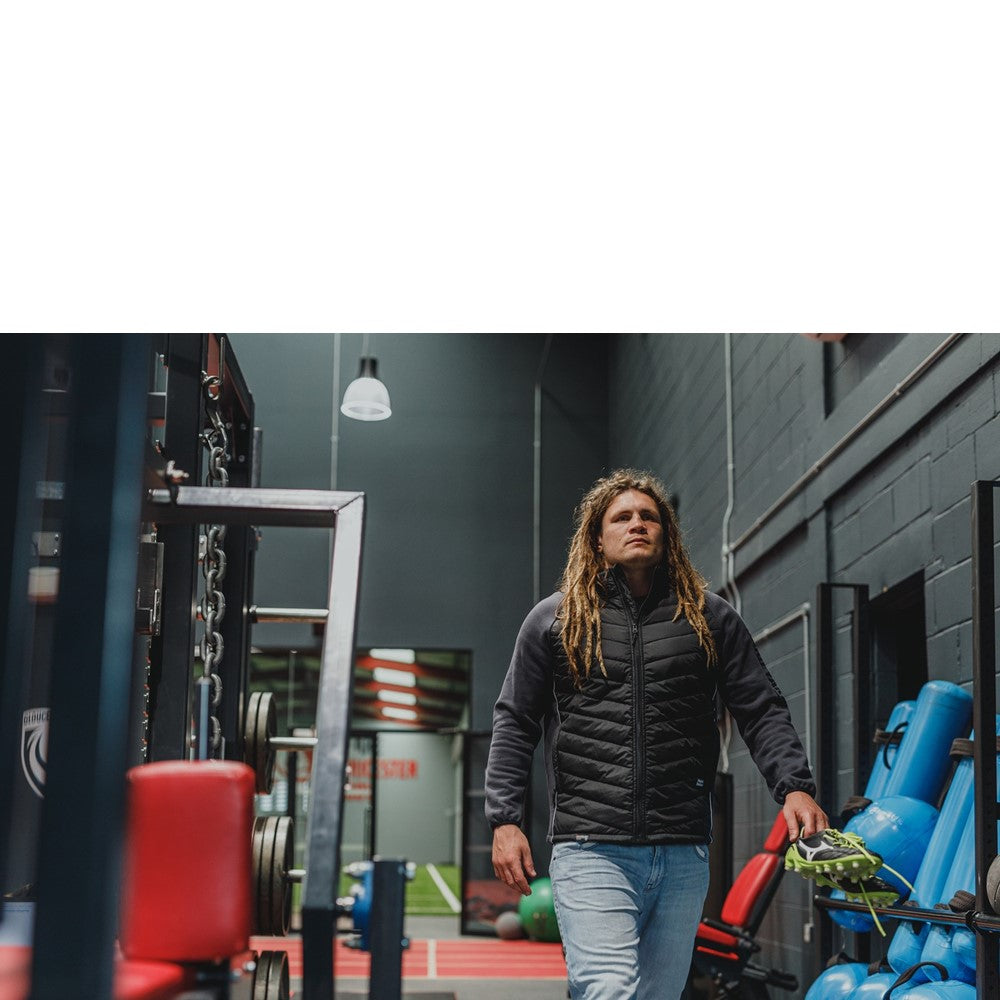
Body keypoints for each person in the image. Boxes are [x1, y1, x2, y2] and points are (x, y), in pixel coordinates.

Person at [485, 469, 828, 1000]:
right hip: (591, 847)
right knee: (608, 989)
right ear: (597, 538)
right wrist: (505, 819)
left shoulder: (710, 618)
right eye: (621, 517)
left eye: (649, 516)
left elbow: (760, 708)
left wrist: (795, 787)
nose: (637, 524)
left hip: (682, 851)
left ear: (666, 534)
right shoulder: (555, 620)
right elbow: (515, 719)